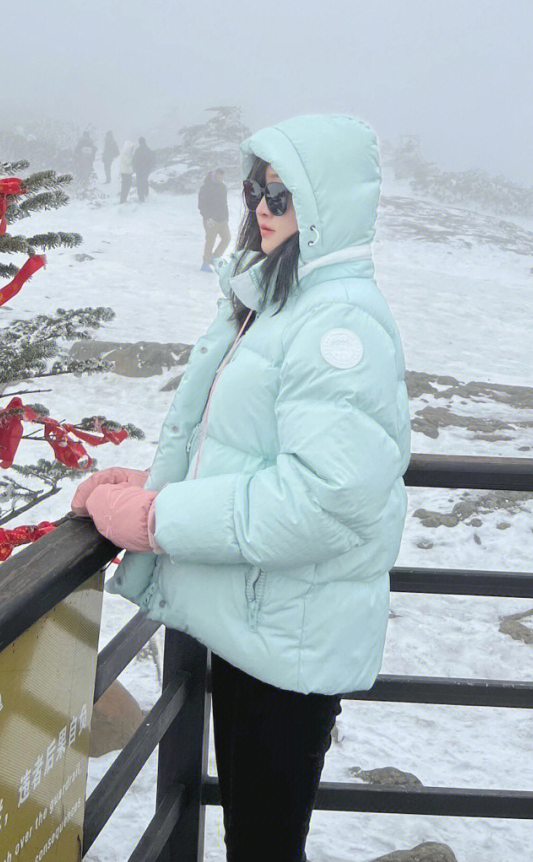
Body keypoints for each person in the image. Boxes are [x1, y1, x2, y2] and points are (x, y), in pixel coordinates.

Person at [73, 115, 410, 862]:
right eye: (257, 187)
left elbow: (322, 498)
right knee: (254, 837)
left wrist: (159, 517)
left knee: (261, 844)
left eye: (282, 194)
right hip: (266, 626)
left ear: (324, 208)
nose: (260, 206)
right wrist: (154, 484)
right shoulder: (284, 301)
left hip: (288, 641)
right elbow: (250, 451)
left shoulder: (336, 324)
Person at [197, 167, 230, 271]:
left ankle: (214, 258)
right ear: (214, 176)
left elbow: (225, 203)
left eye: (222, 176)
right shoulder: (205, 188)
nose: (220, 178)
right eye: (219, 176)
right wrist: (207, 218)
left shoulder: (223, 187)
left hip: (222, 219)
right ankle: (205, 263)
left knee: (227, 238)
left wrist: (226, 217)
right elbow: (202, 205)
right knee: (210, 241)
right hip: (211, 220)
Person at [132, 136, 155, 201]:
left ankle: (141, 196)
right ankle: (146, 195)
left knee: (139, 182)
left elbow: (134, 160)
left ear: (139, 142)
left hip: (139, 170)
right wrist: (150, 167)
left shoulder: (138, 150)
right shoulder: (148, 149)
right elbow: (152, 159)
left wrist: (135, 168)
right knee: (145, 181)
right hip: (146, 170)